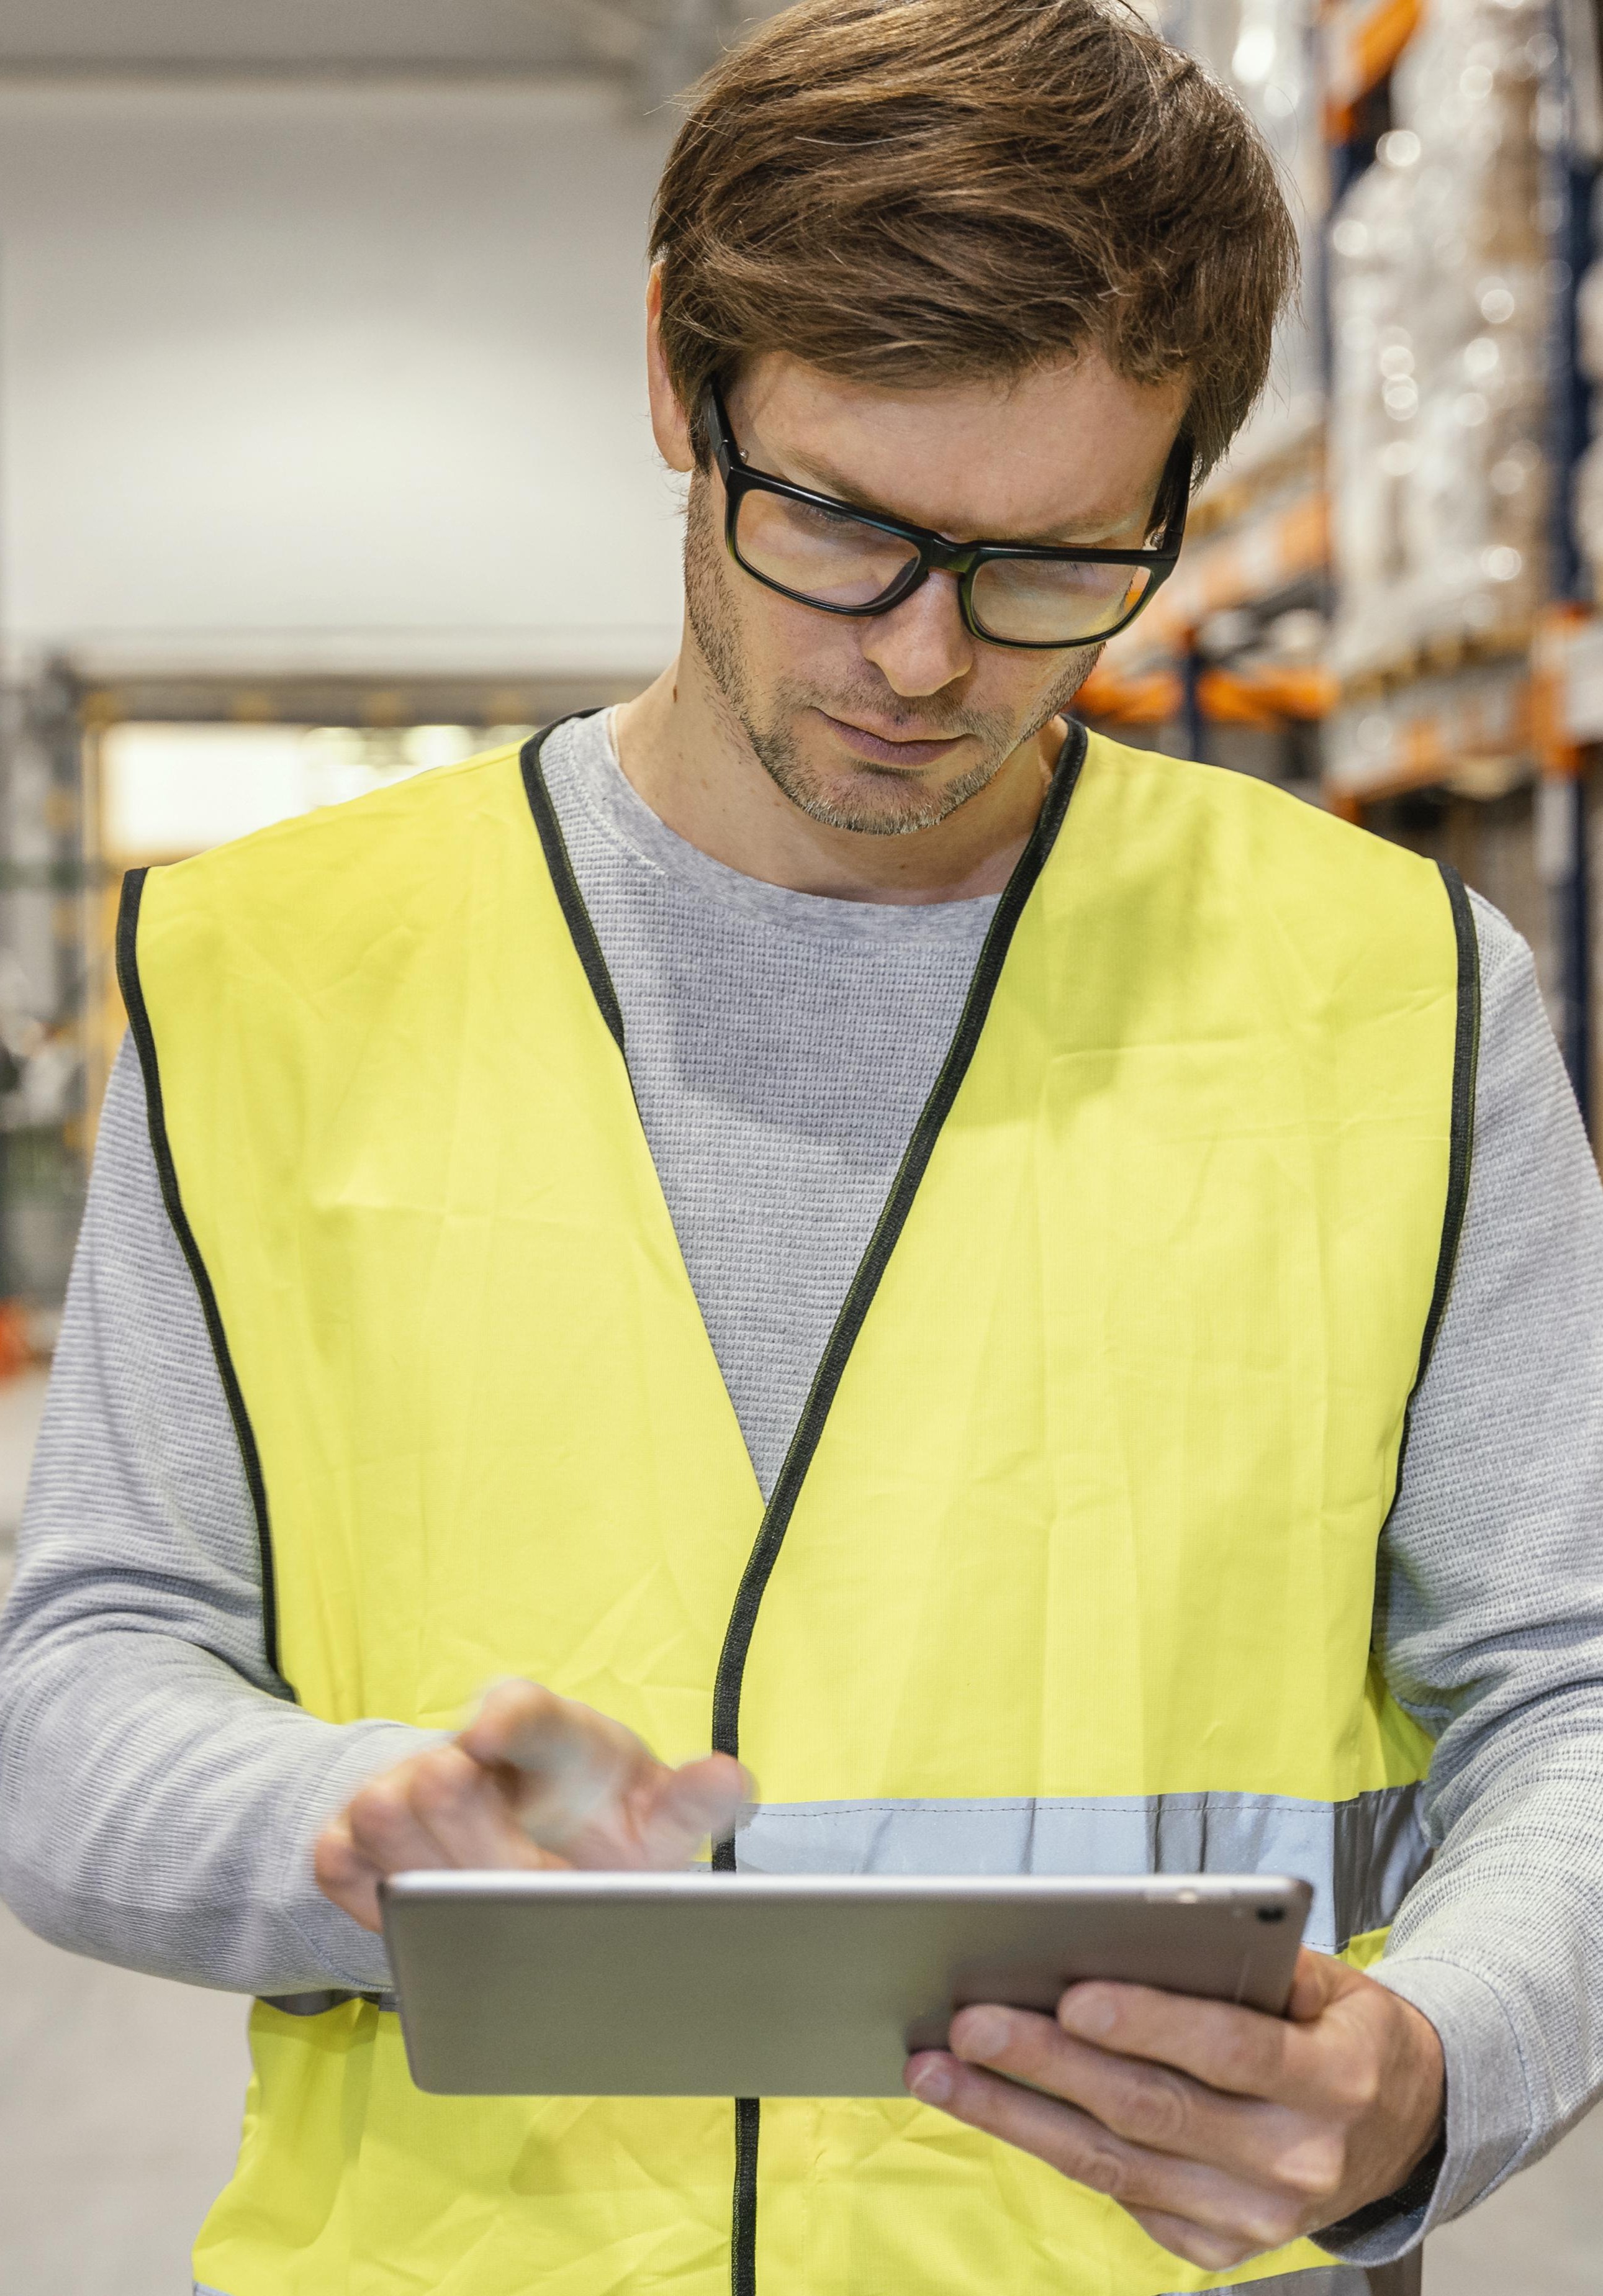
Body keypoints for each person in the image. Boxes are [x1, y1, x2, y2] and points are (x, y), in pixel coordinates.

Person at [2, 1, 1601, 2290]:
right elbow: (81, 1693)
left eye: (1055, 568)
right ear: (680, 374)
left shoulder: (1401, 991)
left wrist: (1443, 2058)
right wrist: (351, 1829)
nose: (929, 660)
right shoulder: (273, 972)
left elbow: (1574, 1684)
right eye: (841, 526)